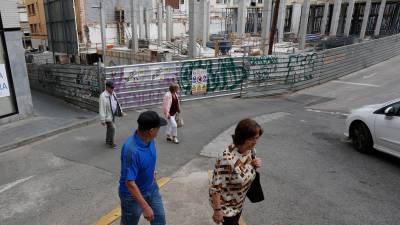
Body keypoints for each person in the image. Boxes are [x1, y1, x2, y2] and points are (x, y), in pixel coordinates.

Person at [209, 118, 263, 225]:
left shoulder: (250, 151)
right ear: (244, 138)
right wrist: (217, 211)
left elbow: (243, 169)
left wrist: (254, 164)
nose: (256, 142)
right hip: (226, 208)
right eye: (254, 138)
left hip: (238, 203)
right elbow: (216, 189)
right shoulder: (226, 160)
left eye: (257, 138)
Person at [119, 110, 167, 225]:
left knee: (159, 218)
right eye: (158, 128)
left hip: (151, 187)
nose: (159, 130)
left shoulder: (149, 140)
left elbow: (148, 159)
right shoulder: (131, 150)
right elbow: (129, 182)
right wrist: (145, 207)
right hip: (132, 196)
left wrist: (152, 172)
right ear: (151, 131)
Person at [99, 80, 124, 148]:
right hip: (107, 116)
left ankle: (107, 140)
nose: (113, 89)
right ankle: (111, 143)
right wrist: (103, 120)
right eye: (111, 88)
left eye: (113, 87)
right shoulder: (103, 96)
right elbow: (102, 109)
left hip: (112, 114)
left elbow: (117, 103)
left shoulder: (113, 93)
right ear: (107, 87)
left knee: (109, 128)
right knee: (113, 128)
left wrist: (120, 111)